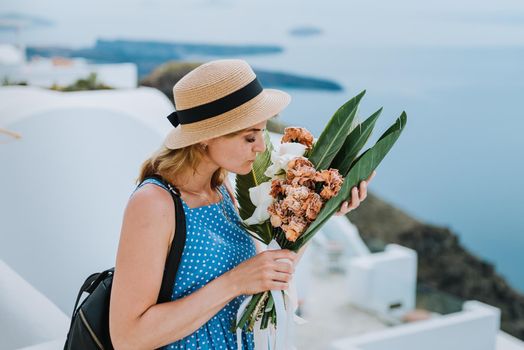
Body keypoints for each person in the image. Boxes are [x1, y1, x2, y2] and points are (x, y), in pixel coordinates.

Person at [109, 59, 374, 350]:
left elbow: (265, 274)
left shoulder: (222, 190)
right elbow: (127, 338)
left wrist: (324, 211)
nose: (261, 147)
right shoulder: (154, 203)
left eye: (261, 132)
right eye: (250, 136)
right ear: (206, 138)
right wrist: (234, 283)